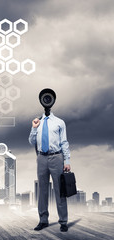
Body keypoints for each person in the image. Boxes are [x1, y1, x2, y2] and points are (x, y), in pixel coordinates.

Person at [28, 89, 71, 232]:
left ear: (52, 101)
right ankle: (43, 220)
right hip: (41, 157)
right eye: (44, 98)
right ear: (41, 101)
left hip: (56, 157)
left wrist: (67, 161)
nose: (46, 101)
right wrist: (34, 128)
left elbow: (64, 142)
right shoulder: (37, 122)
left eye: (48, 98)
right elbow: (31, 141)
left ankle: (63, 221)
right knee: (42, 190)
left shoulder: (59, 122)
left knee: (60, 190)